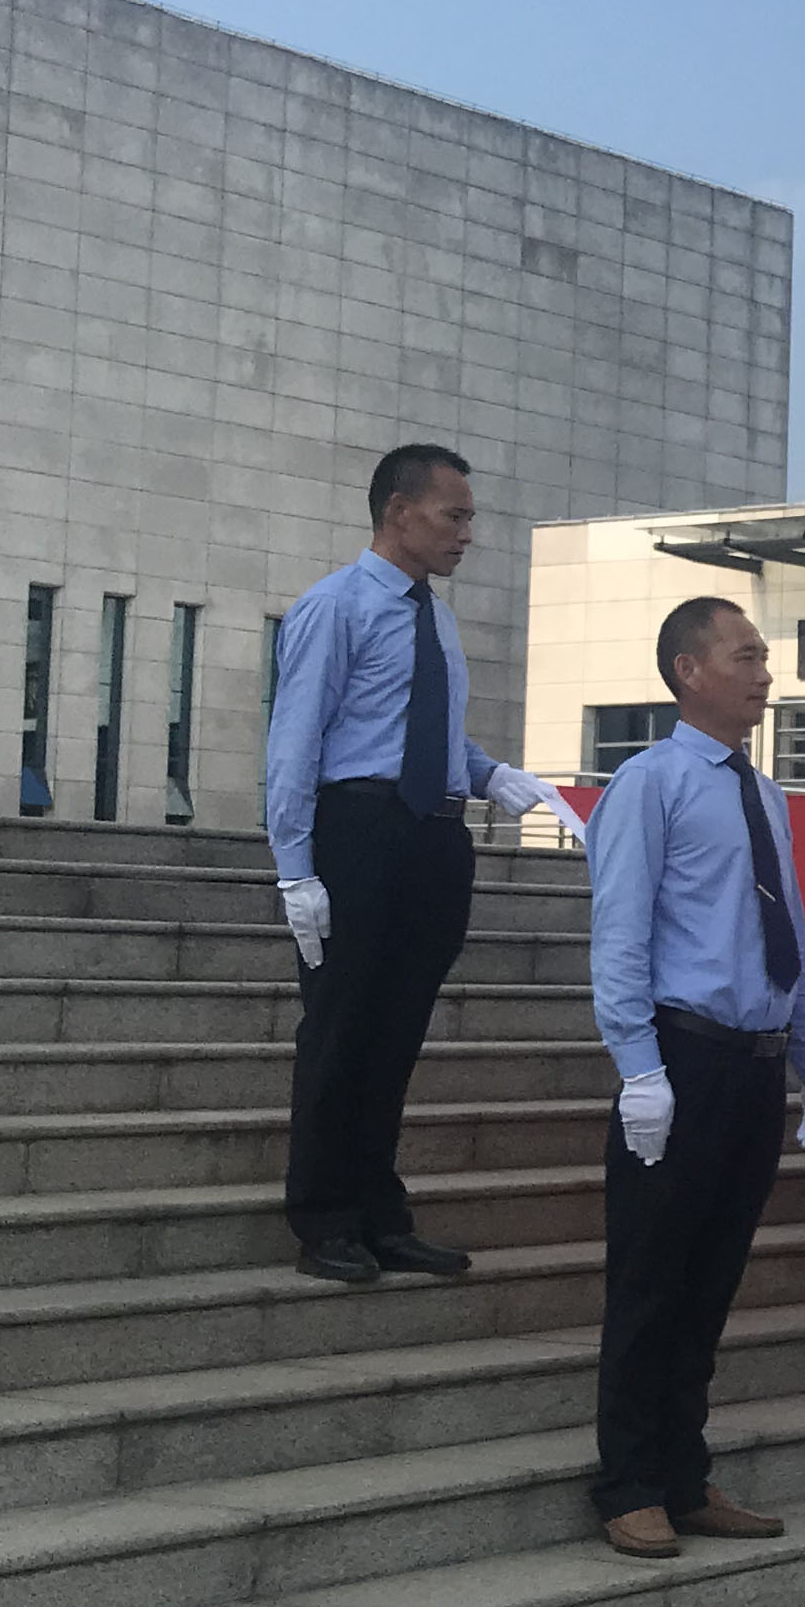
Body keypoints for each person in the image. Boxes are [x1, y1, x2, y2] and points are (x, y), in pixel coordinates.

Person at [264, 442, 575, 1285]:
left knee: (397, 1034)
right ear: (400, 513)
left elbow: (423, 734)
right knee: (341, 1031)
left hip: (434, 837)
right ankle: (324, 1217)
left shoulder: (434, 617)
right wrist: (296, 869)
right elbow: (295, 744)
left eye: (470, 518)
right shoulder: (334, 607)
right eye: (454, 516)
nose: (467, 534)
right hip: (358, 832)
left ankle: (380, 1214)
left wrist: (490, 775)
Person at [584, 596, 805, 1559]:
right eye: (744, 657)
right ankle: (627, 1482)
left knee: (711, 1282)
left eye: (764, 657)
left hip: (755, 1063)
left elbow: (792, 944)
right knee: (651, 1279)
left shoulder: (764, 794)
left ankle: (684, 1474)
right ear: (688, 671)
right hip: (682, 1056)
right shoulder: (648, 784)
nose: (764, 674)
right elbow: (620, 935)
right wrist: (639, 1070)